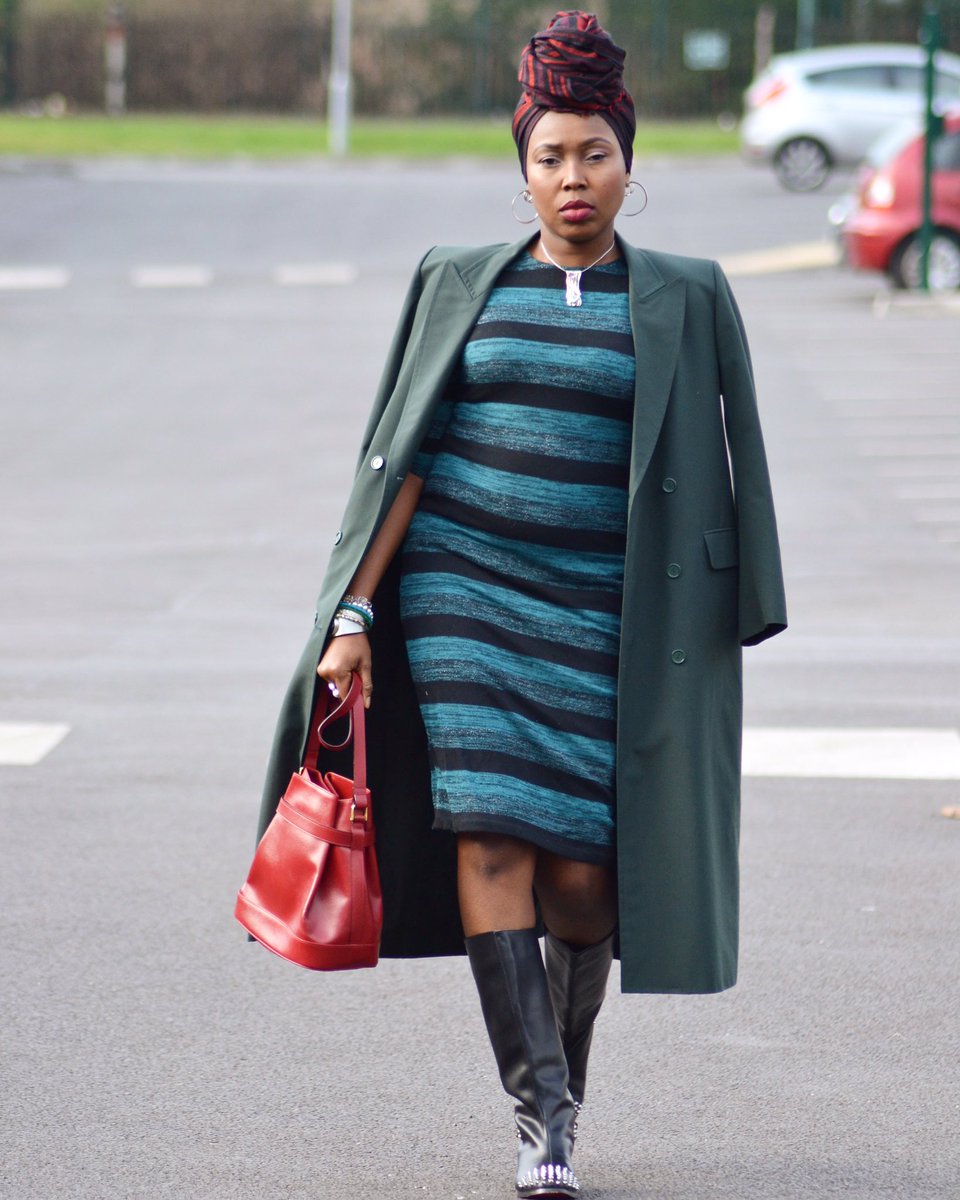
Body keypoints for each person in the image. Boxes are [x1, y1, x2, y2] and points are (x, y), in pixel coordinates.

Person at [256, 11, 787, 1198]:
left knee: (592, 880)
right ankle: (541, 1120)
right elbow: (407, 456)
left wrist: (741, 602)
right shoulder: (459, 283)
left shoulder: (687, 297)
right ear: (524, 169)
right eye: (550, 156)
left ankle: (562, 1075)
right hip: (464, 600)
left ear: (628, 162)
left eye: (593, 152)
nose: (573, 177)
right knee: (490, 833)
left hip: (612, 616)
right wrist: (355, 616)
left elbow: (736, 453)